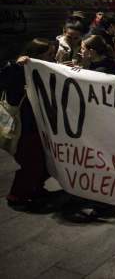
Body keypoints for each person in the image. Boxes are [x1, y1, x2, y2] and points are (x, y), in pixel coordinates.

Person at [2, 38, 57, 211]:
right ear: (36, 54)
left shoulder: (42, 69)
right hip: (25, 125)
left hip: (39, 123)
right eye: (49, 55)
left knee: (42, 161)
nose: (52, 58)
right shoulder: (15, 68)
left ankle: (35, 189)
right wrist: (17, 65)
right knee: (30, 162)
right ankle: (17, 195)